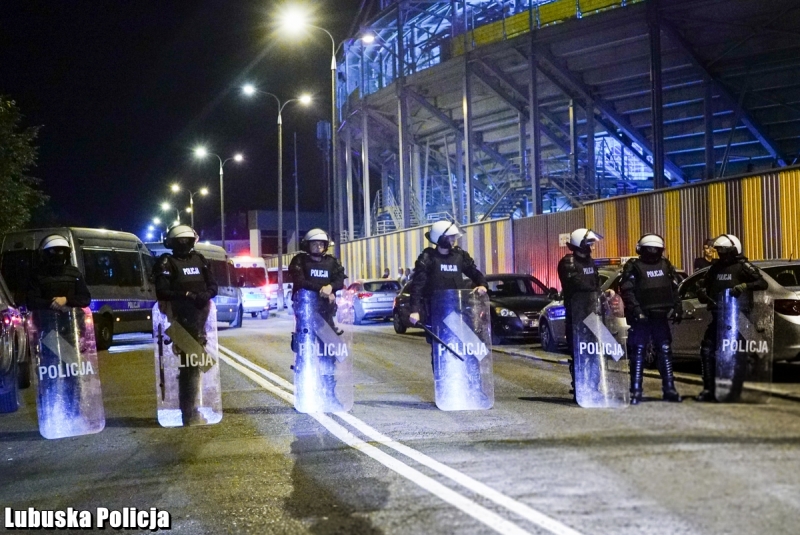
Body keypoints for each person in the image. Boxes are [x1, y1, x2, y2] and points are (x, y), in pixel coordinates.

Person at [408, 221, 488, 389]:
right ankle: (444, 387)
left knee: (471, 348)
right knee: (441, 351)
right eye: (450, 237)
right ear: (440, 237)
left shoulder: (459, 256)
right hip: (436, 314)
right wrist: (414, 310)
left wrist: (482, 284)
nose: (454, 240)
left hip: (458, 312)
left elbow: (474, 272)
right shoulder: (428, 259)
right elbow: (417, 286)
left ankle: (474, 386)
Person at [152, 224, 218, 426]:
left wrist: (206, 294)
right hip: (178, 321)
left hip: (201, 320)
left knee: (196, 366)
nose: (183, 243)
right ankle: (188, 413)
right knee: (190, 366)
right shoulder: (166, 262)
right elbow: (162, 292)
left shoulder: (200, 259)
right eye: (179, 240)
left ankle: (193, 409)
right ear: (171, 242)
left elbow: (213, 286)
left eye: (186, 240)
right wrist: (187, 295)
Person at [695, 234, 767, 402]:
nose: (721, 255)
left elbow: (762, 283)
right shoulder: (715, 268)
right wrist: (701, 293)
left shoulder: (743, 266)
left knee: (737, 354)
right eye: (719, 251)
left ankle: (735, 391)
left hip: (738, 316)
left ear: (734, 250)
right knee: (707, 350)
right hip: (718, 314)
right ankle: (709, 390)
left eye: (725, 251)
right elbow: (703, 285)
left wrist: (744, 286)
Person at [619, 234, 683, 404]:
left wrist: (677, 306)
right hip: (644, 317)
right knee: (644, 352)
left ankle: (668, 389)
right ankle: (637, 390)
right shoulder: (635, 266)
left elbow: (673, 288)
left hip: (657, 316)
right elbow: (627, 291)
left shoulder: (663, 265)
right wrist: (637, 310)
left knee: (659, 351)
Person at [288, 228, 347, 405]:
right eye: (315, 243)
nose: (318, 246)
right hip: (306, 315)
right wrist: (320, 289)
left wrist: (331, 288)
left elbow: (340, 280)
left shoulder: (331, 262)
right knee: (304, 354)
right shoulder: (299, 260)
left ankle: (329, 395)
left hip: (325, 315)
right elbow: (299, 280)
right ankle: (304, 395)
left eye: (321, 243)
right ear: (307, 245)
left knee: (328, 355)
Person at [557, 228, 602, 399]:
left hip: (593, 314)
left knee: (595, 353)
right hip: (576, 316)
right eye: (588, 243)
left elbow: (595, 284)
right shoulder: (568, 262)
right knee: (579, 353)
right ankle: (580, 388)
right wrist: (594, 291)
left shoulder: (590, 262)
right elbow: (576, 283)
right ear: (579, 244)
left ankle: (594, 387)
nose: (590, 247)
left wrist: (603, 294)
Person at [27, 234, 91, 311]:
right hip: (44, 319)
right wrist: (53, 303)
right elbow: (31, 301)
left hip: (73, 319)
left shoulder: (74, 273)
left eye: (60, 251)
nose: (57, 255)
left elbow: (85, 298)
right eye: (53, 251)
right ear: (45, 254)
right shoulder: (37, 274)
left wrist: (66, 300)